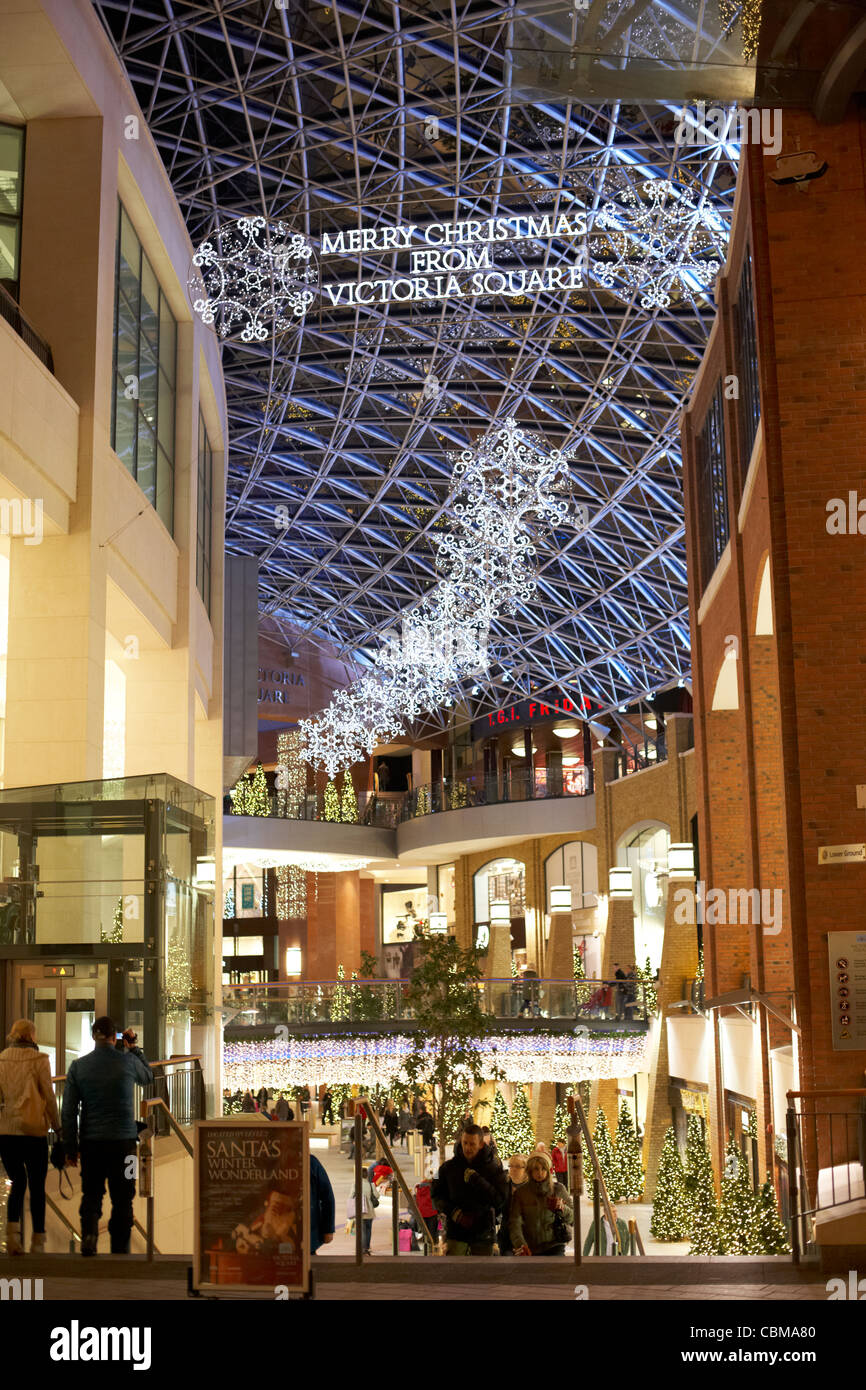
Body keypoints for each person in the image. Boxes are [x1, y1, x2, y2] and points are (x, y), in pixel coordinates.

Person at [61, 1016, 153, 1256]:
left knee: (91, 1193)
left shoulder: (78, 1067)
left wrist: (71, 1147)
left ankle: (89, 1236)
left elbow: (69, 1111)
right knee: (125, 1197)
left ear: (94, 1036)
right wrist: (133, 1049)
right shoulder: (128, 1062)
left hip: (92, 1145)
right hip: (126, 1146)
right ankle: (120, 1249)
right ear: (116, 1037)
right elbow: (148, 1077)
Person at [0, 1018, 62, 1255]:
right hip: (33, 1132)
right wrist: (58, 1129)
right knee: (37, 1185)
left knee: (17, 1181)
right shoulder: (40, 1060)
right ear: (32, 1036)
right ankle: (38, 1240)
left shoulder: (1, 1059)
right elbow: (48, 1095)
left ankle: (12, 1237)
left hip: (6, 1132)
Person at [431, 1123, 509, 1255]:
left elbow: (500, 1200)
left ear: (481, 1144)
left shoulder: (493, 1168)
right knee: (456, 1272)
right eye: (465, 1143)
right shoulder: (448, 1168)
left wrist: (479, 1181)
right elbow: (436, 1196)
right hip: (456, 1233)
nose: (467, 1148)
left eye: (472, 1144)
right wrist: (455, 1213)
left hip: (483, 1234)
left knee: (482, 1273)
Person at [510, 1151, 574, 1257]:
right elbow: (515, 1221)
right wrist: (520, 1244)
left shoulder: (558, 1189)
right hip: (530, 1247)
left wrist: (563, 1208)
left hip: (554, 1245)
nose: (540, 1173)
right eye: (536, 1169)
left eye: (543, 1169)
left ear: (548, 1170)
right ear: (530, 1171)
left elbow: (573, 1219)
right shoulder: (521, 1193)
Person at [497, 1154, 529, 1256]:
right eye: (511, 1166)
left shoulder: (531, 1189)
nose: (513, 1169)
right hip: (506, 1239)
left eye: (518, 1167)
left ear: (526, 1170)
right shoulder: (504, 1186)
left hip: (526, 1239)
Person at [309, 1153, 336, 1254]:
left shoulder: (310, 1162)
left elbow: (327, 1197)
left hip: (309, 1236)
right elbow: (327, 1197)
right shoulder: (311, 1162)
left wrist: (328, 1229)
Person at [347, 1172, 378, 1254]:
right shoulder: (371, 1185)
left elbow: (351, 1196)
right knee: (368, 1229)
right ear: (367, 1175)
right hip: (370, 1211)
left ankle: (362, 1247)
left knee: (362, 1229)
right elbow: (377, 1196)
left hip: (360, 1210)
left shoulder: (355, 1184)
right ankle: (367, 1247)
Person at [413, 1179, 439, 1248]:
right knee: (433, 1232)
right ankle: (432, 1246)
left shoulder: (419, 1188)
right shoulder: (433, 1187)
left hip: (422, 1213)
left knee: (424, 1231)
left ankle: (425, 1246)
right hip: (432, 1212)